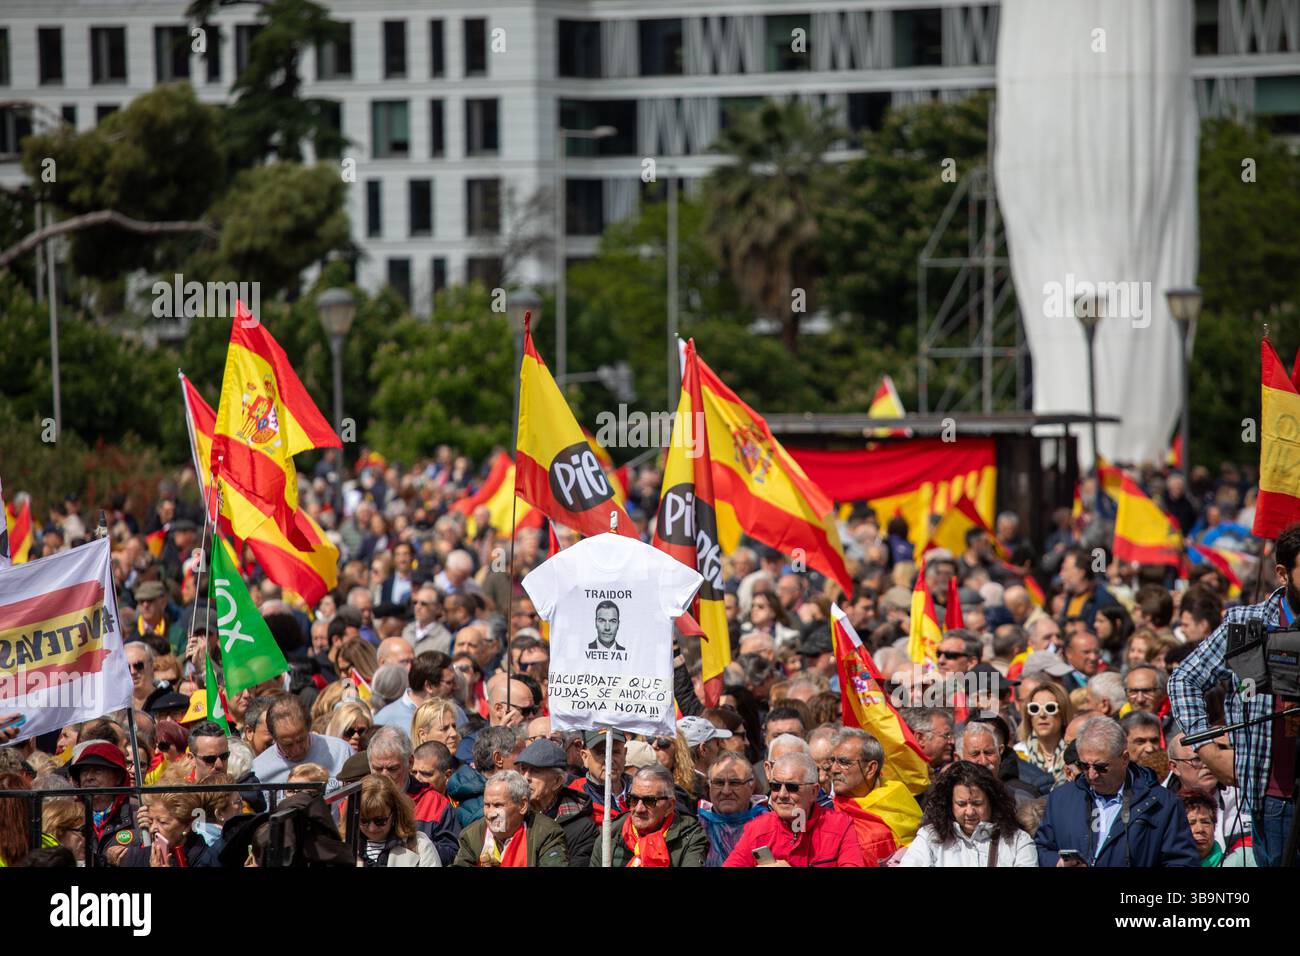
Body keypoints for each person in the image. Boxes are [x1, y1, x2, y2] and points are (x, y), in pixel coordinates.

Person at [1168, 521, 1300, 867]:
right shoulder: (1248, 624)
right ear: (1283, 573)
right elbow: (1183, 679)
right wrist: (1208, 750)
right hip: (1273, 797)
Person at [1034, 716, 1198, 867]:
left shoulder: (1163, 803)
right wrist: (1059, 864)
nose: (1092, 774)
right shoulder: (1061, 798)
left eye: (1101, 767)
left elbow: (1182, 862)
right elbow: (1041, 848)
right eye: (1084, 766)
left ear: (1124, 759)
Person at [724, 753, 862, 867]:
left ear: (814, 792)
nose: (782, 795)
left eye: (792, 787)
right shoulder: (757, 829)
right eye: (775, 786)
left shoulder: (841, 826)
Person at [901, 761, 1038, 867]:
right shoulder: (929, 837)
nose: (970, 812)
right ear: (949, 804)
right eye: (961, 804)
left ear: (992, 801)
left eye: (977, 803)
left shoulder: (1018, 841)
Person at [828, 727, 922, 865]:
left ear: (870, 769)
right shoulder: (825, 810)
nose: (834, 769)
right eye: (833, 761)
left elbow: (919, 846)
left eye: (844, 762)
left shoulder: (897, 797)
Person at [452, 771, 568, 866]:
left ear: (522, 806)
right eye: (487, 805)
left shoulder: (547, 833)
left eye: (498, 805)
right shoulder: (471, 836)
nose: (490, 814)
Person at [601, 765, 708, 867]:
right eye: (633, 799)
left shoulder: (691, 837)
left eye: (649, 801)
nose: (639, 809)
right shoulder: (611, 833)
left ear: (669, 806)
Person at [515, 739, 598, 867]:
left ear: (557, 781)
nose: (526, 777)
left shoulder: (582, 828)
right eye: (523, 769)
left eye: (535, 771)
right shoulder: (511, 813)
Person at [252, 695, 353, 783]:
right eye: (288, 744)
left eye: (301, 740)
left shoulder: (341, 753)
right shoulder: (258, 772)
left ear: (309, 728)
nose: (297, 750)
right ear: (274, 738)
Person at [68, 741, 137, 866]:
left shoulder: (138, 817)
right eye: (84, 771)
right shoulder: (69, 817)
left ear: (118, 778)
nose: (89, 777)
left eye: (97, 770)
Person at [119, 785, 220, 867]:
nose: (153, 828)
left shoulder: (206, 859)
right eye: (150, 820)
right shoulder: (145, 854)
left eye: (162, 822)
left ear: (187, 826)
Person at [355, 774, 441, 867]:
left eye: (380, 821)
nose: (372, 828)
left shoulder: (420, 845)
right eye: (364, 821)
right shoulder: (345, 848)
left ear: (395, 813)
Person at [698, 751, 768, 866]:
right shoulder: (697, 826)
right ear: (709, 786)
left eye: (735, 783)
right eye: (719, 783)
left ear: (751, 786)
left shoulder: (768, 825)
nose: (726, 791)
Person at [1014, 681, 1073, 785]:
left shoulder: (1076, 755)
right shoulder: (1018, 754)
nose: (1042, 714)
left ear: (1063, 714)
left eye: (1050, 708)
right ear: (1029, 717)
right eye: (1034, 708)